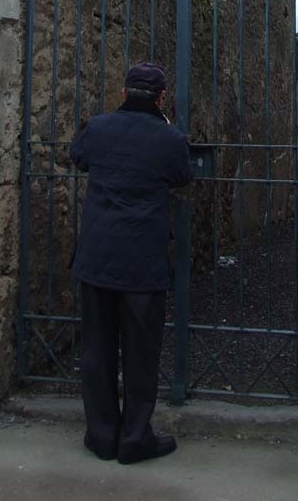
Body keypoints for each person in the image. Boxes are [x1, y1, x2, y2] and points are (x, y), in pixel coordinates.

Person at [70, 61, 193, 465]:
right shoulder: (170, 138)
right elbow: (182, 176)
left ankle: (102, 435)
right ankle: (135, 437)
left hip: (98, 256)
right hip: (142, 261)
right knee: (140, 353)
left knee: (97, 350)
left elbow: (78, 157)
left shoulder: (99, 128)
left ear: (123, 93)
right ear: (161, 98)